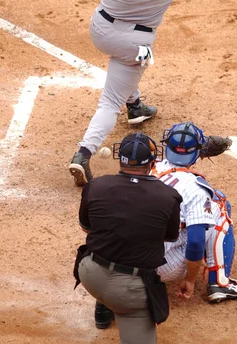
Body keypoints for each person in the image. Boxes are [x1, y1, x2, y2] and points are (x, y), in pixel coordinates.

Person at [66, 0, 193, 186]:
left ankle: (134, 107)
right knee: (113, 97)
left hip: (101, 29)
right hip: (136, 42)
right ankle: (84, 152)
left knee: (124, 77)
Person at [76, 132, 182, 344]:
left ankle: (103, 307)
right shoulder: (168, 196)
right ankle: (112, 303)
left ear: (120, 159)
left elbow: (87, 229)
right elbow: (169, 238)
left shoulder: (95, 186)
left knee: (111, 243)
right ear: (152, 163)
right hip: (130, 294)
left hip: (90, 276)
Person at [153, 121, 237, 303]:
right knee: (219, 203)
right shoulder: (194, 187)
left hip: (128, 260)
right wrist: (190, 279)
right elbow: (196, 241)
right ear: (198, 151)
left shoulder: (148, 168)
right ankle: (220, 283)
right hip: (164, 266)